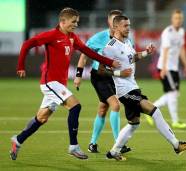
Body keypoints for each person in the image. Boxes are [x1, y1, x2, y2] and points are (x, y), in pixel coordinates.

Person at [10, 7, 120, 160]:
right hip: (50, 82)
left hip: (59, 84)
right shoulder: (52, 35)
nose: (75, 24)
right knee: (75, 106)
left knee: (42, 118)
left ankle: (18, 140)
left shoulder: (72, 37)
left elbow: (88, 52)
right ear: (62, 21)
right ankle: (73, 146)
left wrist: (110, 62)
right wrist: (21, 65)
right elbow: (27, 44)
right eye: (73, 22)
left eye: (77, 22)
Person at [103, 15, 186, 161]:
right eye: (125, 26)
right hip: (124, 92)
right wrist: (120, 73)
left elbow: (132, 58)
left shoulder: (126, 43)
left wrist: (146, 52)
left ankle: (114, 151)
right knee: (154, 111)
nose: (128, 28)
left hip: (133, 87)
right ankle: (176, 145)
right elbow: (103, 70)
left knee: (133, 124)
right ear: (116, 27)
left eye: (129, 25)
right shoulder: (110, 47)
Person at [74, 10, 131, 153]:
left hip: (114, 76)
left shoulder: (126, 39)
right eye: (113, 21)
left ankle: (92, 143)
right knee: (115, 105)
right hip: (99, 76)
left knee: (102, 109)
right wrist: (78, 75)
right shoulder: (98, 38)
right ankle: (119, 144)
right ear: (109, 22)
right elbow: (84, 56)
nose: (115, 25)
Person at [145, 9, 186, 129]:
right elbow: (164, 50)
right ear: (172, 19)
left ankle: (150, 110)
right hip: (166, 67)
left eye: (180, 18)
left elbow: (182, 49)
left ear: (182, 20)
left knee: (172, 94)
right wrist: (164, 68)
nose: (178, 20)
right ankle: (175, 121)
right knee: (173, 93)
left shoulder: (181, 31)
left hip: (173, 68)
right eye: (176, 18)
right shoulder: (167, 32)